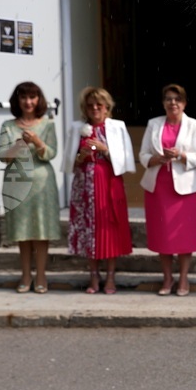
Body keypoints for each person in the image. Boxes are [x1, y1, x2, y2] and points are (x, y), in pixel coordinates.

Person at [63, 87, 135, 295]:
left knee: (109, 229)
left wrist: (105, 150)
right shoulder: (78, 128)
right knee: (88, 230)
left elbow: (126, 161)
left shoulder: (117, 127)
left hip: (109, 182)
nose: (95, 108)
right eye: (90, 105)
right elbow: (70, 163)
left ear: (107, 107)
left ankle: (111, 276)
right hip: (84, 185)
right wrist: (82, 156)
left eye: (99, 105)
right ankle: (93, 275)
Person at [139, 84, 196, 297]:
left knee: (184, 236)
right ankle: (167, 278)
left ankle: (184, 278)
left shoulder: (195, 125)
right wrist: (156, 159)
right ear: (163, 103)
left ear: (184, 103)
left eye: (177, 99)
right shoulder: (153, 124)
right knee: (163, 235)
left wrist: (180, 155)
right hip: (158, 186)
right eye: (168, 99)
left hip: (187, 188)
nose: (173, 103)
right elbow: (142, 154)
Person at [0, 82, 60, 293]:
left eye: (32, 97)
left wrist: (37, 141)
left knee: (41, 232)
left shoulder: (48, 124)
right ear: (17, 101)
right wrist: (19, 145)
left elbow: (51, 153)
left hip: (42, 183)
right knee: (22, 232)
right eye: (24, 98)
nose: (28, 102)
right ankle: (25, 275)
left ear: (39, 100)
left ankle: (41, 276)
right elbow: (2, 156)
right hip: (17, 183)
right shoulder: (8, 125)